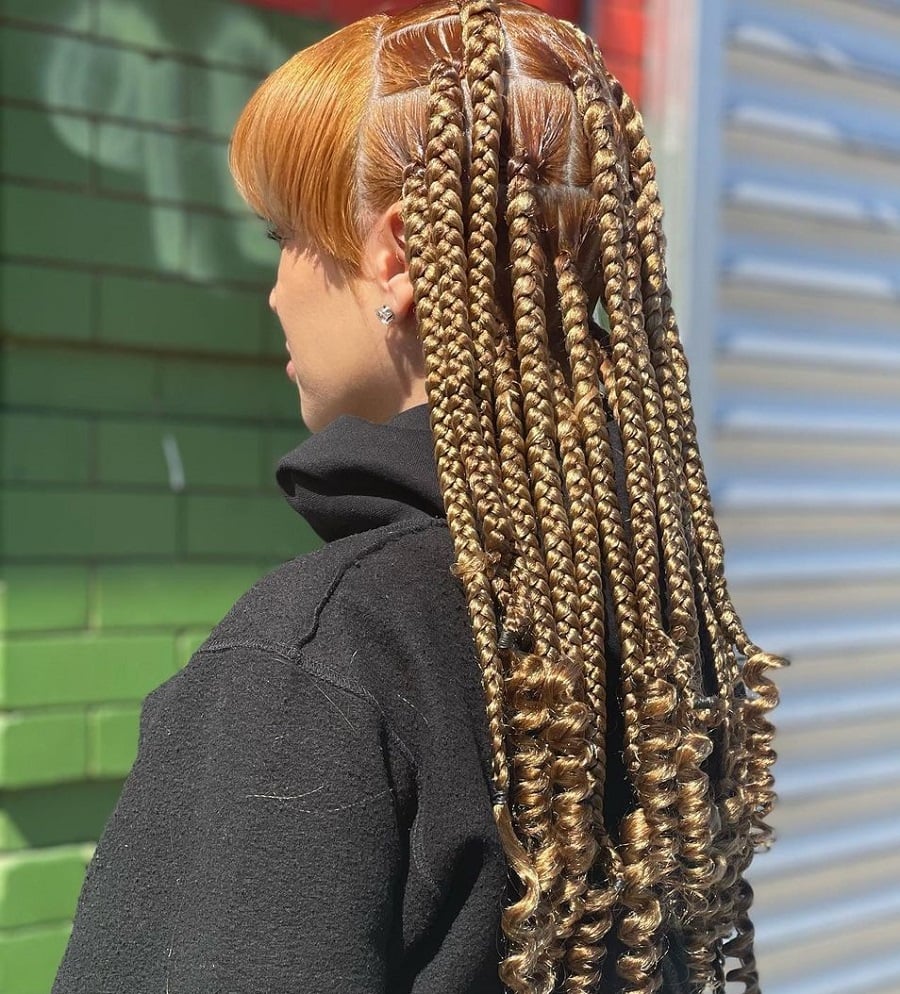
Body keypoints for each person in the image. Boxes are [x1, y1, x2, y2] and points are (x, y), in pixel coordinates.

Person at [52, 1, 788, 991]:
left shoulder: (324, 653)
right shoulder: (653, 618)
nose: (274, 291)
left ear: (393, 256)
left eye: (284, 233)